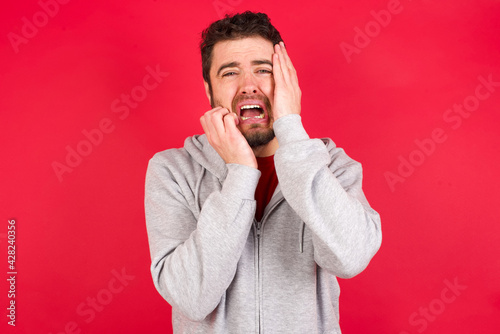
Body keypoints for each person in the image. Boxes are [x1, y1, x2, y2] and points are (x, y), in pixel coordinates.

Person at [144, 11, 382, 333]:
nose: (249, 86)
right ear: (208, 90)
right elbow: (191, 298)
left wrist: (291, 132)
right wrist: (240, 173)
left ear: (287, 83)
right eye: (230, 73)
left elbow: (351, 257)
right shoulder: (173, 171)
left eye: (264, 70)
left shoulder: (331, 165)